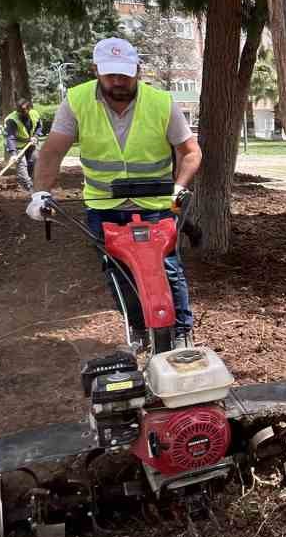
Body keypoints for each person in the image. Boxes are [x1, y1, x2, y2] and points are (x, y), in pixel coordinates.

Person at [27, 37, 203, 336]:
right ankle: (138, 330)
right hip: (103, 206)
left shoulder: (161, 103)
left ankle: (182, 334)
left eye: (125, 73)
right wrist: (41, 193)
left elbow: (190, 152)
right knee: (118, 273)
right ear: (95, 70)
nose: (118, 81)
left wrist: (178, 188)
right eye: (111, 74)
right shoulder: (77, 101)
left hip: (155, 205)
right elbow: (52, 152)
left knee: (169, 270)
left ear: (138, 70)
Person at [3, 97, 40, 191]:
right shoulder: (12, 120)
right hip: (16, 144)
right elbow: (10, 137)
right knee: (21, 165)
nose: (21, 113)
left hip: (30, 142)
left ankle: (32, 182)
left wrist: (35, 136)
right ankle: (27, 187)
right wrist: (13, 154)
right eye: (19, 111)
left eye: (23, 111)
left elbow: (39, 126)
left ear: (29, 109)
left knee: (34, 160)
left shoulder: (34, 114)